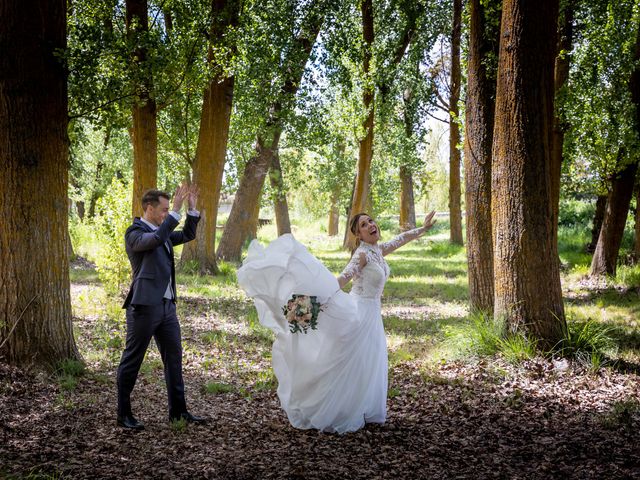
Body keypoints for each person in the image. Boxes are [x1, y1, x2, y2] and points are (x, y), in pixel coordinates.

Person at [237, 211, 436, 433]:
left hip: (372, 315)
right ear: (358, 235)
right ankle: (331, 407)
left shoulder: (378, 250)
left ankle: (361, 407)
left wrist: (423, 229)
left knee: (366, 363)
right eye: (364, 224)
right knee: (347, 361)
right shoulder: (362, 254)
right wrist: (318, 301)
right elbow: (342, 279)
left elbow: (401, 239)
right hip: (358, 312)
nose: (370, 225)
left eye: (371, 221)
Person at [116, 183, 205, 430]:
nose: (167, 213)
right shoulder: (134, 233)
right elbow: (155, 239)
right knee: (132, 360)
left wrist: (191, 209)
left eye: (169, 209)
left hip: (167, 309)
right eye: (164, 209)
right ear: (149, 208)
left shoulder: (162, 231)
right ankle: (123, 414)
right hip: (144, 308)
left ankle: (179, 412)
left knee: (174, 359)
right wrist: (176, 211)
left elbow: (187, 235)